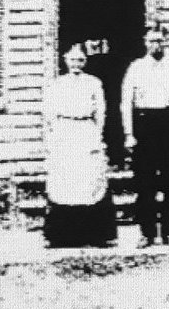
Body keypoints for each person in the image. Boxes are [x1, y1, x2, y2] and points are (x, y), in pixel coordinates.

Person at [121, 25, 169, 248]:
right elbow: (126, 103)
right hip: (145, 124)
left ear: (166, 41)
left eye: (160, 40)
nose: (157, 45)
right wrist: (129, 134)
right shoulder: (136, 68)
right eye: (152, 41)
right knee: (145, 182)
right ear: (146, 42)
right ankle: (147, 233)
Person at [41, 44, 118, 248]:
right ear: (66, 61)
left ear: (85, 62)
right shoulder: (57, 84)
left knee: (88, 181)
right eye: (73, 60)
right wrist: (54, 136)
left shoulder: (94, 83)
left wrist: (97, 134)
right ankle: (62, 236)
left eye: (80, 60)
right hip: (65, 131)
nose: (76, 64)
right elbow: (49, 113)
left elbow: (101, 112)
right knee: (66, 181)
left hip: (86, 130)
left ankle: (94, 235)